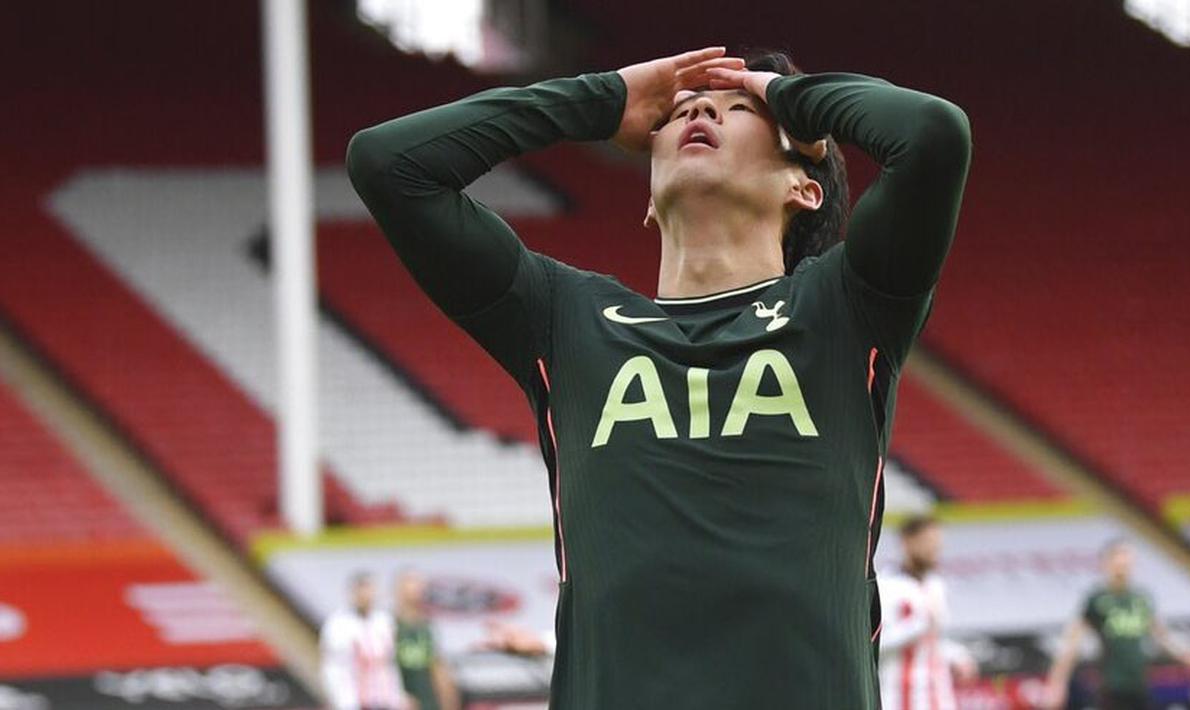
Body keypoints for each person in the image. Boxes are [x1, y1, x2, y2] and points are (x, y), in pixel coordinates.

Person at [347, 46, 971, 708]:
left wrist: (790, 96)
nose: (700, 111)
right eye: (677, 112)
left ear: (803, 187)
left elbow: (931, 134)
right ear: (647, 199)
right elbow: (389, 164)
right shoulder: (564, 319)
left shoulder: (845, 308)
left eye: (739, 108)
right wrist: (600, 99)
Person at [1044, 539, 1190, 709]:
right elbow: (1071, 644)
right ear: (1107, 564)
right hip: (1111, 687)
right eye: (1119, 562)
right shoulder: (1097, 599)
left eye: (1127, 562)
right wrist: (1057, 683)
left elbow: (1162, 636)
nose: (1123, 567)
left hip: (1140, 685)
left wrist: (1185, 655)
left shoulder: (1141, 598)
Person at [877, 515, 976, 710]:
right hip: (897, 698)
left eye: (937, 543)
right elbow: (877, 644)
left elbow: (932, 643)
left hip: (938, 697)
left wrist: (957, 656)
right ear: (907, 542)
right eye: (928, 542)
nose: (934, 549)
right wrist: (920, 623)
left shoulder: (935, 584)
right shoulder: (885, 585)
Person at [320, 572, 408, 710]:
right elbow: (334, 666)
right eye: (361, 590)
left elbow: (390, 663)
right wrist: (341, 701)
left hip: (384, 699)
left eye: (369, 590)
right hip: (354, 699)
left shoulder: (384, 621)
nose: (365, 596)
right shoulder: (338, 624)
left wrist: (398, 696)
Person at [392, 571, 459, 710]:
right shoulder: (388, 626)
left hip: (428, 702)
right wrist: (398, 696)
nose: (416, 592)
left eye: (419, 588)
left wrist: (449, 701)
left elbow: (439, 669)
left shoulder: (427, 627)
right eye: (410, 588)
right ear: (398, 593)